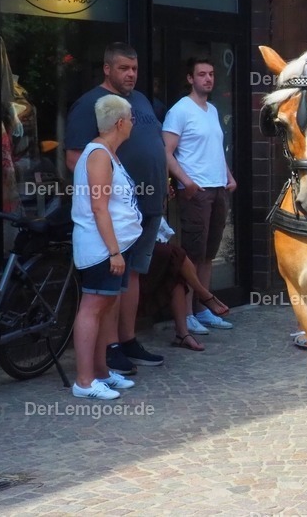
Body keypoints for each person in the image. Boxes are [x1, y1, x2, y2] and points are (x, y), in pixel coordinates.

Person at [66, 43, 167, 373]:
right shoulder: (91, 104)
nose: (131, 74)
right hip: (112, 215)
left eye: (135, 68)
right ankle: (106, 353)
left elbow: (155, 143)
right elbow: (75, 158)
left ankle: (127, 340)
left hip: (145, 206)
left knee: (131, 274)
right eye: (124, 68)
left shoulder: (138, 101)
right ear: (107, 68)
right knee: (108, 285)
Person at [71, 95, 142, 399]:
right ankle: (84, 382)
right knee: (93, 308)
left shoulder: (109, 153)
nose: (133, 123)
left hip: (114, 245)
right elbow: (99, 208)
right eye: (131, 117)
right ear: (119, 123)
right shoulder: (99, 155)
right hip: (102, 248)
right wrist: (113, 251)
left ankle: (101, 371)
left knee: (104, 308)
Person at [163, 57, 236, 332]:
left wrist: (228, 175)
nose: (208, 79)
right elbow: (166, 151)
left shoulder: (212, 110)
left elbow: (215, 149)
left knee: (208, 254)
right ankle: (187, 315)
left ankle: (203, 308)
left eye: (211, 74)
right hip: (196, 191)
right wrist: (186, 182)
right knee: (191, 256)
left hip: (217, 188)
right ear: (190, 79)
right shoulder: (180, 110)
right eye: (202, 74)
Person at [140, 218, 230, 351]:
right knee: (177, 256)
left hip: (150, 235)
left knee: (176, 270)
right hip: (130, 240)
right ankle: (203, 294)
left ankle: (183, 334)